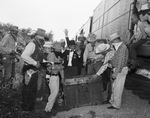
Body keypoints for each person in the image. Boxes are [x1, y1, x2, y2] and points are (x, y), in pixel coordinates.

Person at [21, 28, 47, 112]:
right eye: (41, 38)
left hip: (34, 70)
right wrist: (35, 63)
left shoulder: (38, 45)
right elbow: (24, 56)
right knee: (28, 90)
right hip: (29, 70)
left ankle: (30, 107)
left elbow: (38, 57)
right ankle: (26, 109)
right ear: (37, 37)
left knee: (32, 89)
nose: (43, 40)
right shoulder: (32, 44)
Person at [107, 33, 129, 110]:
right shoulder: (120, 47)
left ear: (116, 40)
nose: (112, 44)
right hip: (118, 69)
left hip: (120, 70)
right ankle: (113, 102)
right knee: (115, 87)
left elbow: (121, 62)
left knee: (117, 88)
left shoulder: (122, 48)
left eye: (112, 42)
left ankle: (116, 105)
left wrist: (115, 73)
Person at [44, 41, 64, 115]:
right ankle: (47, 109)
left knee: (54, 93)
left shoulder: (53, 55)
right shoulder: (51, 55)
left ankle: (49, 108)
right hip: (52, 76)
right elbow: (50, 67)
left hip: (55, 76)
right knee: (54, 93)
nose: (59, 50)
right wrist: (59, 66)